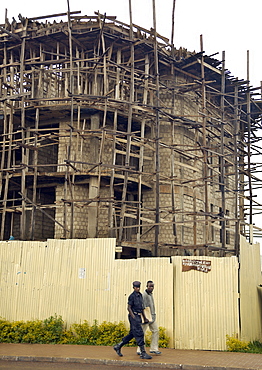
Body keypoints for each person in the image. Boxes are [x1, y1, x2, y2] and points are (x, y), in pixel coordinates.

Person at [113, 281, 152, 359]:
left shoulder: (140, 295)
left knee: (132, 334)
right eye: (136, 287)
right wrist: (133, 317)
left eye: (138, 287)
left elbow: (141, 308)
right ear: (133, 287)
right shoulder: (132, 296)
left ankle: (118, 346)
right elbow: (129, 308)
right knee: (140, 333)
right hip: (133, 316)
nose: (137, 289)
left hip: (139, 315)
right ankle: (143, 353)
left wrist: (145, 318)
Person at [137, 280, 161, 355]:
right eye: (150, 286)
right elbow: (142, 306)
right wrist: (144, 318)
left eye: (152, 286)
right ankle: (140, 349)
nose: (151, 287)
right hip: (146, 317)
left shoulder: (150, 294)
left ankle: (154, 348)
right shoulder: (144, 295)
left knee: (156, 330)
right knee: (142, 333)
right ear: (147, 286)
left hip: (152, 317)